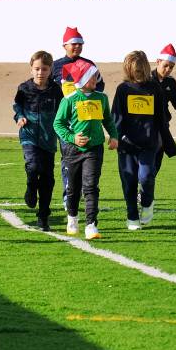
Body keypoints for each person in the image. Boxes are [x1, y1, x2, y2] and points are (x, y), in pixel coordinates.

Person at [53, 59, 118, 240]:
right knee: (73, 188)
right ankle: (72, 218)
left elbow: (108, 120)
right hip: (73, 152)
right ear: (81, 79)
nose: (95, 80)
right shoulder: (69, 100)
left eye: (95, 76)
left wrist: (113, 136)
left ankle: (91, 225)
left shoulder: (101, 98)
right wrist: (72, 137)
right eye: (91, 77)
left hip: (94, 149)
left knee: (91, 186)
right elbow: (58, 124)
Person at [112, 51, 172, 230]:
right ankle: (132, 217)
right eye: (134, 70)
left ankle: (147, 203)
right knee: (129, 182)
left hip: (149, 144)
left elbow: (161, 117)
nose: (137, 73)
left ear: (145, 68)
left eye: (140, 70)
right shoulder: (123, 90)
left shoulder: (154, 88)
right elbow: (116, 116)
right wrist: (115, 137)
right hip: (126, 145)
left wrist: (163, 140)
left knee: (146, 177)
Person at [13, 51, 61, 232]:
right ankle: (31, 186)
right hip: (29, 135)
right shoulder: (24, 88)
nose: (40, 72)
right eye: (37, 69)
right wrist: (20, 117)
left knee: (48, 178)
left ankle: (43, 216)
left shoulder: (56, 90)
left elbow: (63, 110)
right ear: (31, 69)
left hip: (49, 138)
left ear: (50, 70)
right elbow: (17, 107)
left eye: (44, 69)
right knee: (33, 167)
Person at [153, 44, 176, 173]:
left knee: (157, 159)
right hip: (146, 126)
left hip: (163, 126)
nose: (168, 69)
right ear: (158, 62)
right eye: (166, 65)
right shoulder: (146, 79)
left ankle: (144, 191)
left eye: (171, 67)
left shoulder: (171, 82)